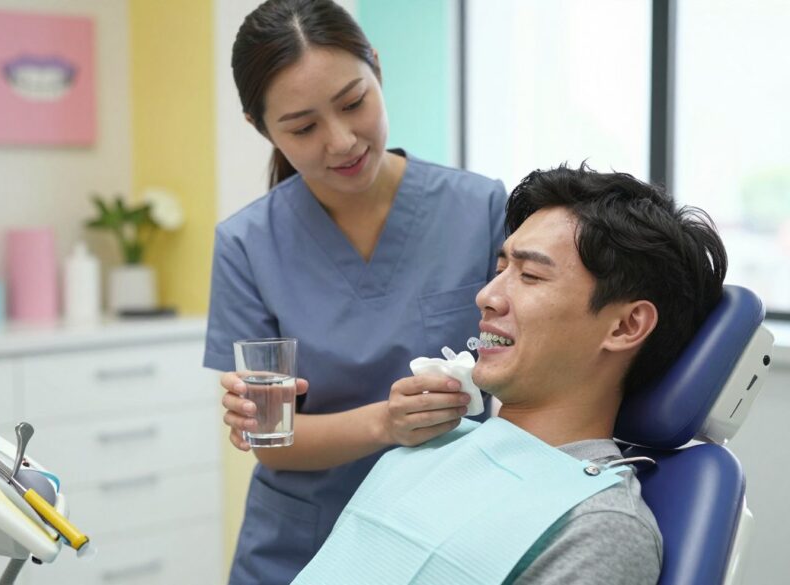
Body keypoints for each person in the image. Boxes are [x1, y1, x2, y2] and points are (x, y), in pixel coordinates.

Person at [294, 163, 728, 584]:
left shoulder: (598, 525)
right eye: (501, 270)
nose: (487, 295)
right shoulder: (434, 445)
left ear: (625, 326)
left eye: (531, 275)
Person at [203, 0, 507, 582]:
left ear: (377, 69)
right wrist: (387, 424)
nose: (341, 141)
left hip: (447, 535)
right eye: (303, 126)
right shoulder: (247, 245)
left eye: (353, 103)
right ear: (260, 127)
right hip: (299, 550)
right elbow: (272, 440)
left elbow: (530, 370)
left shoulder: (480, 209)